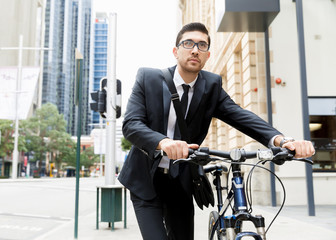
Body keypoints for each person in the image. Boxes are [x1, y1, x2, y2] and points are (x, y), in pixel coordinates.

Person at [118, 22, 315, 240]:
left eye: (202, 45)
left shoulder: (211, 85)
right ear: (176, 51)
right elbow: (132, 124)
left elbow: (240, 116)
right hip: (146, 178)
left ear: (208, 55)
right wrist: (163, 142)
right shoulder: (148, 79)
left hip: (180, 179)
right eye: (188, 43)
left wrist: (281, 140)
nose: (195, 49)